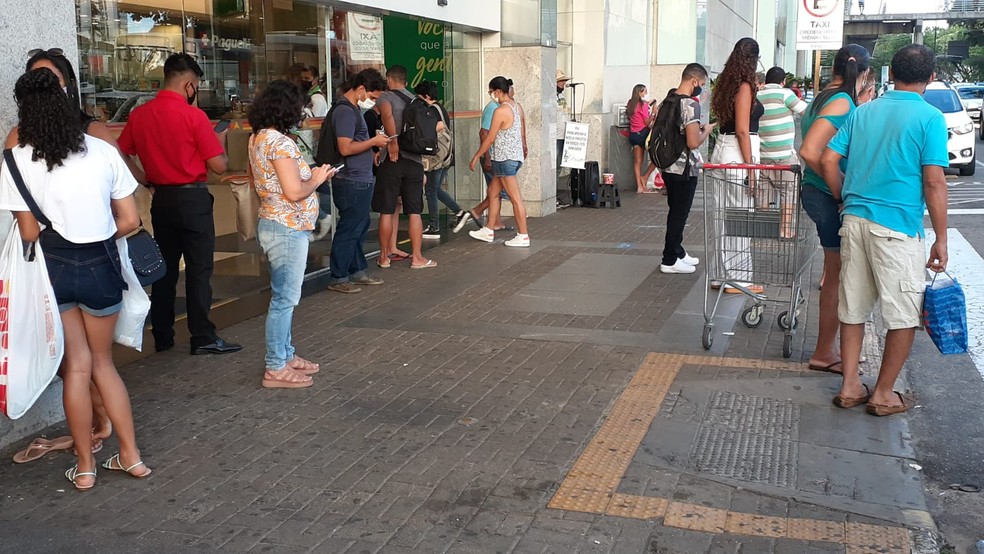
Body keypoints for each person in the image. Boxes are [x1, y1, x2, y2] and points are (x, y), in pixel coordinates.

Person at [0, 68, 152, 490]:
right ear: (67, 102)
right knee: (104, 365)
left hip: (54, 271)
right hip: (100, 265)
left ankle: (85, 467)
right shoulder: (101, 152)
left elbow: (29, 233)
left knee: (77, 366)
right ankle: (131, 457)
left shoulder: (15, 161)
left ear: (24, 111)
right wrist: (92, 231)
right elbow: (130, 220)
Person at [821, 44, 948, 415]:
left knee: (854, 307)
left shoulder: (863, 112)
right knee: (904, 314)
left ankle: (849, 386)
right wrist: (941, 238)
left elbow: (829, 158)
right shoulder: (929, 118)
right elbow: (934, 182)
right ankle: (883, 394)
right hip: (897, 228)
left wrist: (844, 195)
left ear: (890, 74)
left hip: (854, 221)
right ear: (931, 77)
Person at [118, 53, 242, 356]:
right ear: (189, 85)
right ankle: (202, 336)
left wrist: (144, 179)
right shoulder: (194, 116)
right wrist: (221, 143)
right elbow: (219, 166)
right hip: (193, 198)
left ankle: (162, 334)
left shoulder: (140, 115)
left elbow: (120, 153)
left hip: (161, 199)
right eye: (195, 86)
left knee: (165, 269)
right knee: (200, 269)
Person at [247, 80, 337, 388]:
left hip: (274, 222)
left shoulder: (257, 138)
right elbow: (295, 190)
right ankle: (275, 365)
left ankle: (285, 354)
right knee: (285, 298)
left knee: (283, 295)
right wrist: (317, 177)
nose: (302, 111)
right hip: (287, 227)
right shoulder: (280, 143)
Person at [798, 44, 871, 375]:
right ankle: (824, 352)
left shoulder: (826, 94)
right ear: (864, 72)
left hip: (817, 192)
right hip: (825, 194)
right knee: (836, 277)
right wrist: (839, 190)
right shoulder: (842, 101)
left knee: (833, 274)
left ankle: (827, 349)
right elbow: (811, 151)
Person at [708, 37, 765, 295]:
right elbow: (743, 130)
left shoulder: (727, 85)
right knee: (740, 217)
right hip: (739, 152)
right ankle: (739, 279)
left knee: (723, 216)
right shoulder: (744, 86)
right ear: (753, 60)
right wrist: (751, 170)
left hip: (724, 148)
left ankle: (722, 274)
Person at [326, 68, 391, 292]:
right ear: (361, 89)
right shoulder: (345, 112)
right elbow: (345, 147)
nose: (373, 103)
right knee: (350, 227)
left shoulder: (352, 110)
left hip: (359, 178)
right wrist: (373, 141)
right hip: (351, 179)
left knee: (358, 225)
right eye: (372, 97)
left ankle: (356, 270)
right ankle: (339, 276)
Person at [373, 65, 436, 269]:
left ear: (389, 80)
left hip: (391, 161)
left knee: (386, 209)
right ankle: (417, 258)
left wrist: (392, 142)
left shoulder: (385, 98)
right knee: (415, 211)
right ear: (406, 82)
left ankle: (384, 257)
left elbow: (387, 116)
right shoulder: (417, 101)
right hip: (415, 161)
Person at [659, 64, 715, 275]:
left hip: (668, 165)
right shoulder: (690, 104)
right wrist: (706, 131)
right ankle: (669, 259)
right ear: (694, 81)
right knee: (679, 215)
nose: (700, 87)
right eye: (701, 84)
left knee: (675, 210)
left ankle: (678, 251)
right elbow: (692, 142)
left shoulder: (669, 100)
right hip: (684, 167)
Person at [468, 76, 530, 248]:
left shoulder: (500, 111)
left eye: (490, 91)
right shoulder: (517, 107)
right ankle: (488, 230)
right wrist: (524, 148)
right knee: (493, 193)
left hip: (504, 159)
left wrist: (476, 156)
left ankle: (523, 235)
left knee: (515, 199)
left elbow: (489, 139)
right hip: (513, 157)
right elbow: (523, 132)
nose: (491, 95)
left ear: (497, 91)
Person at [756, 66, 808, 238]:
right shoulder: (785, 94)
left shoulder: (757, 95)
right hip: (784, 155)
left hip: (762, 155)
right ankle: (785, 231)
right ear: (783, 81)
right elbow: (805, 111)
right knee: (789, 191)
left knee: (764, 192)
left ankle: (764, 229)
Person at [416, 81, 464, 239]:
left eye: (420, 96)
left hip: (437, 157)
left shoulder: (431, 110)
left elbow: (436, 129)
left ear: (427, 96)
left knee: (430, 191)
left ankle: (434, 226)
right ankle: (459, 212)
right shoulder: (441, 108)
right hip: (445, 157)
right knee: (435, 189)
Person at [627, 84, 658, 194]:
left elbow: (637, 113)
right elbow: (647, 122)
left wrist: (648, 104)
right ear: (640, 93)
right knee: (657, 157)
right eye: (644, 92)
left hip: (633, 135)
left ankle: (639, 187)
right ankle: (644, 177)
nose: (646, 94)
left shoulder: (630, 103)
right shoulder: (643, 105)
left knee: (637, 162)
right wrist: (653, 112)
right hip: (643, 135)